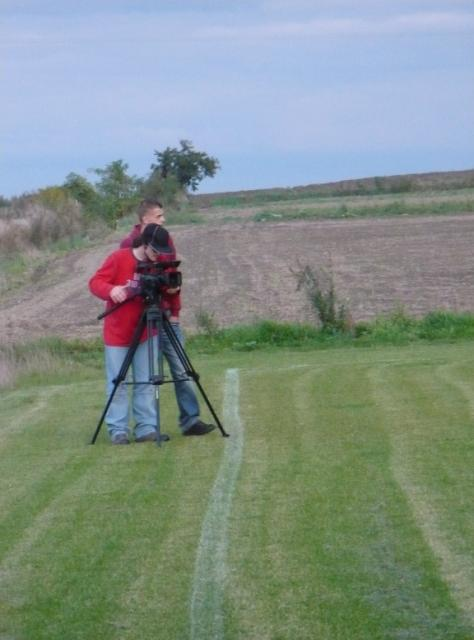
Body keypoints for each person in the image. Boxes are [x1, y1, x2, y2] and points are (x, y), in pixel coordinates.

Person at [89, 223, 215, 445]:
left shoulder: (162, 263)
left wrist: (172, 294)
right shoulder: (119, 258)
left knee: (147, 381)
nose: (158, 256)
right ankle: (118, 430)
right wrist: (112, 290)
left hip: (148, 330)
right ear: (145, 245)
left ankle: (146, 428)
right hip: (119, 333)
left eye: (162, 252)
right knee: (117, 382)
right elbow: (95, 282)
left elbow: (170, 286)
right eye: (155, 251)